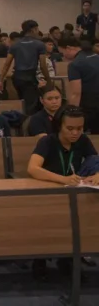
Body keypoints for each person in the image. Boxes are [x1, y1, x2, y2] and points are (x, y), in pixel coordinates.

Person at [28, 105, 99, 281]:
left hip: (73, 192)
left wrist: (97, 175)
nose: (75, 133)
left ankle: (68, 259)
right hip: (49, 192)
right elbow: (33, 168)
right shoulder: (47, 141)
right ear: (59, 125)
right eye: (70, 128)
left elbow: (95, 161)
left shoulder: (83, 141)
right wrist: (63, 179)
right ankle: (40, 260)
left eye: (80, 128)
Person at [0, 20, 50, 115]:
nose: (38, 31)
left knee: (23, 102)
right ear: (33, 30)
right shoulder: (39, 44)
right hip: (30, 78)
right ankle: (29, 122)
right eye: (37, 29)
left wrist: (0, 80)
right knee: (31, 107)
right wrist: (49, 80)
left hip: (17, 78)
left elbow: (7, 64)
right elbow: (43, 65)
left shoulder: (15, 45)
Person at [60, 35, 99, 133]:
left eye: (62, 52)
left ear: (68, 48)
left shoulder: (75, 64)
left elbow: (75, 93)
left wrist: (71, 114)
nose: (63, 56)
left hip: (90, 107)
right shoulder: (97, 57)